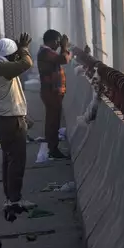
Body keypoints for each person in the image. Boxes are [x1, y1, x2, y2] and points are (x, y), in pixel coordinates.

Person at [0, 34, 37, 210]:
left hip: (7, 118)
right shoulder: (2, 68)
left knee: (9, 160)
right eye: (14, 54)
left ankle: (10, 198)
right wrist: (24, 49)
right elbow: (27, 63)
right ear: (9, 55)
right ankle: (15, 200)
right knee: (16, 161)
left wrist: (23, 115)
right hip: (11, 121)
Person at [37, 29, 72, 160]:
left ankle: (52, 147)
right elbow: (63, 59)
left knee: (54, 120)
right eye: (57, 42)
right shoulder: (45, 52)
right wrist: (64, 47)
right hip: (51, 92)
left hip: (53, 91)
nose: (58, 45)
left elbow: (64, 58)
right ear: (52, 41)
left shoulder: (47, 52)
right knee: (53, 121)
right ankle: (53, 149)